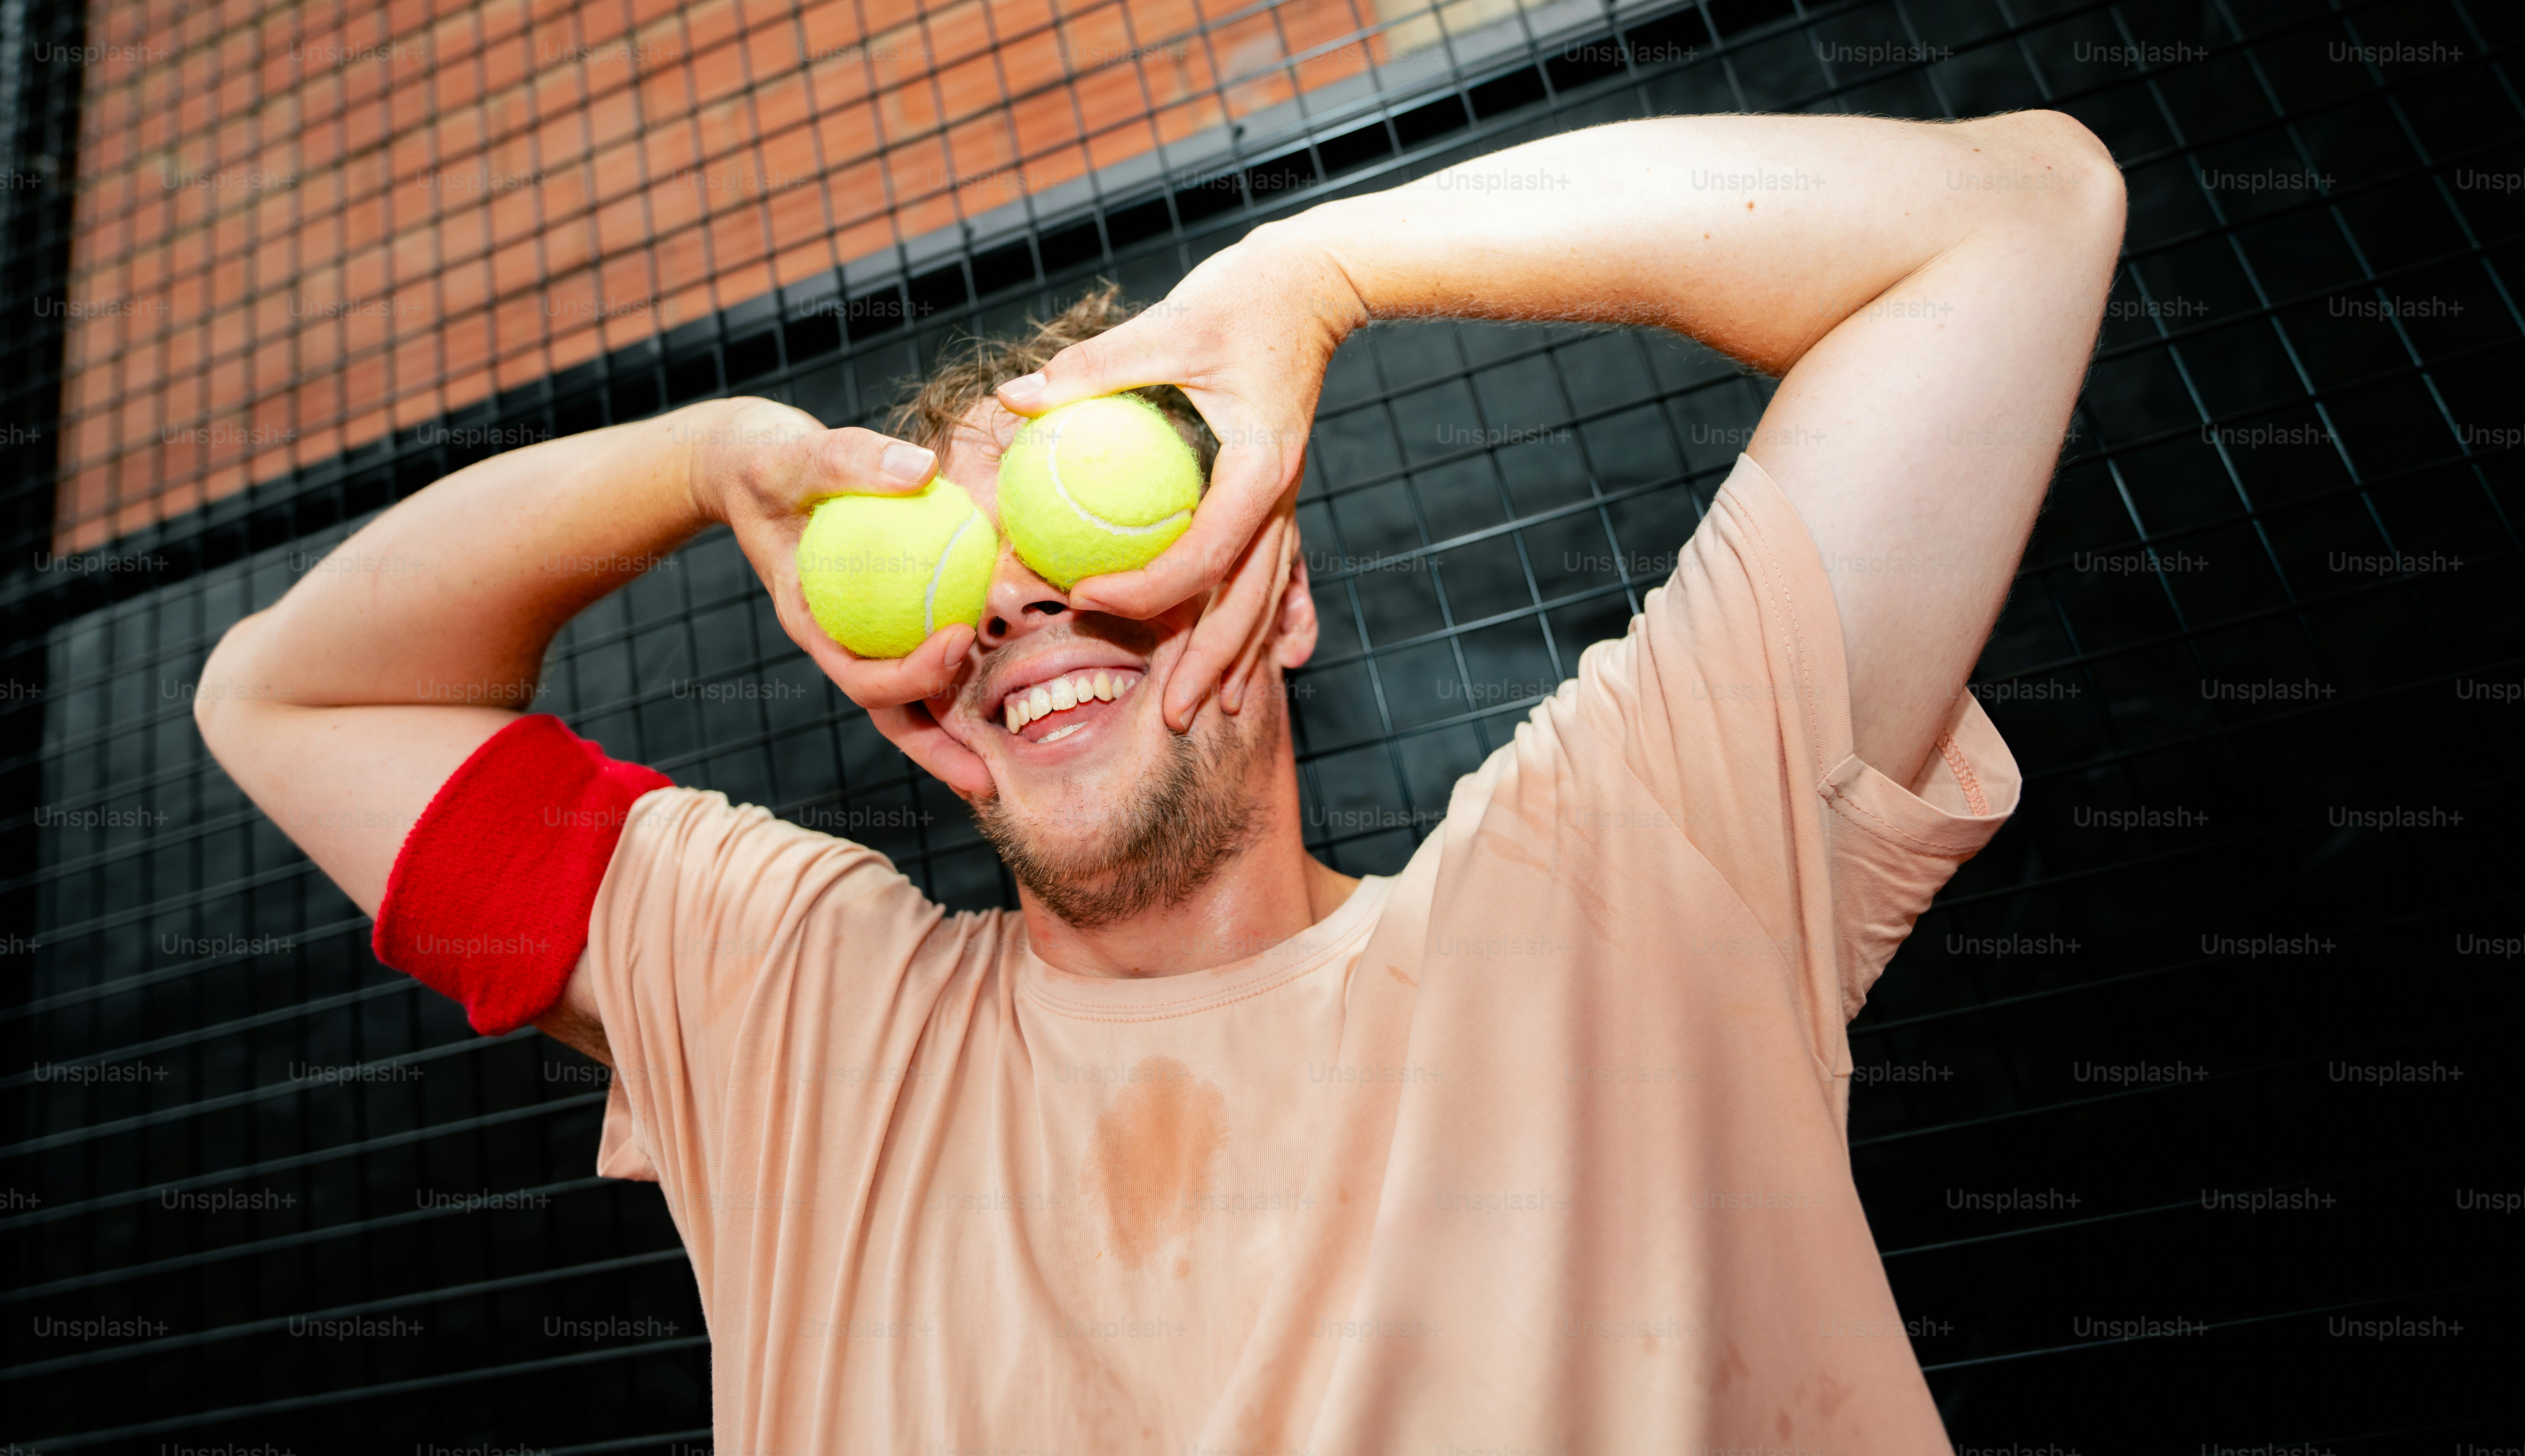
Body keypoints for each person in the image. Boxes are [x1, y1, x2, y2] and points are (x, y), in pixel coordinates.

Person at [196, 110, 2124, 1453]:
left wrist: (1326, 272)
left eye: (1084, 534)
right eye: (966, 572)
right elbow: (294, 698)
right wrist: (701, 461)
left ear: (1270, 588)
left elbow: (2010, 218)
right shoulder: (789, 1008)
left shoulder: (1626, 882)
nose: (1022, 599)